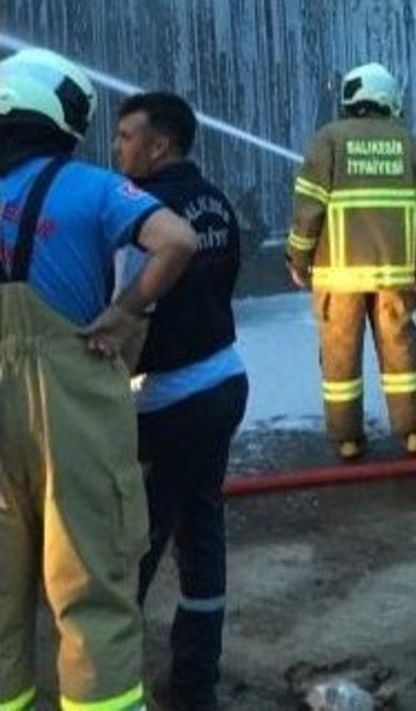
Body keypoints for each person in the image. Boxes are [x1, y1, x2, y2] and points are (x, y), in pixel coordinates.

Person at [0, 47, 196, 711]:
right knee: (92, 589)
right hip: (74, 408)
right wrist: (124, 309)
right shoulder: (93, 187)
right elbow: (178, 240)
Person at [113, 91, 249, 711]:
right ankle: (196, 681)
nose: (116, 148)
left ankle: (110, 684)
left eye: (125, 136)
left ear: (159, 144)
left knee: (126, 550)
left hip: (168, 402)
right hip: (225, 381)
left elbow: (128, 318)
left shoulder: (142, 215)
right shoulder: (215, 201)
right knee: (201, 533)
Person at [286, 62, 416, 460]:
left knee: (339, 356)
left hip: (338, 274)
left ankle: (348, 439)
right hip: (394, 272)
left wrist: (298, 259)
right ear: (387, 98)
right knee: (401, 350)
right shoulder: (408, 144)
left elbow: (308, 210)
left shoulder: (328, 140)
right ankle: (414, 433)